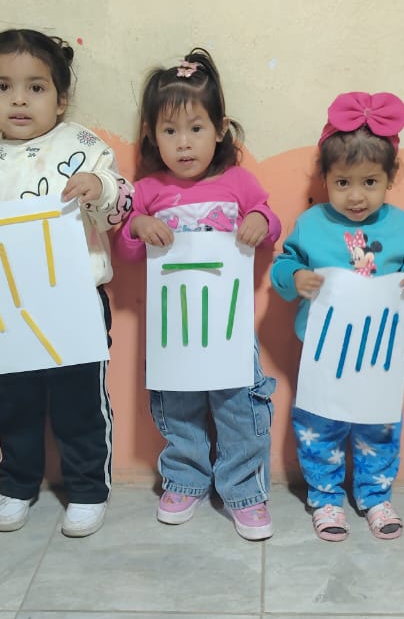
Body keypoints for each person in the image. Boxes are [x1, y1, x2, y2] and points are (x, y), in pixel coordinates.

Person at [0, 29, 130, 539]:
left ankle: (88, 488)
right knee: (15, 399)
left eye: (35, 88)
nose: (19, 99)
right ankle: (16, 483)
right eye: (3, 87)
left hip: (76, 298)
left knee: (79, 399)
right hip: (9, 304)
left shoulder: (84, 147)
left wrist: (100, 187)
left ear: (60, 99)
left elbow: (118, 209)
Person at [114, 49, 281, 541]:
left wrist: (259, 219)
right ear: (152, 135)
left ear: (220, 129)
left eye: (196, 128)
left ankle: (245, 490)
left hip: (229, 323)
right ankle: (185, 479)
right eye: (170, 131)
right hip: (174, 328)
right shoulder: (148, 190)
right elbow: (127, 249)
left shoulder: (237, 182)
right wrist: (138, 226)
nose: (183, 143)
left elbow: (270, 223)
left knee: (239, 406)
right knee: (177, 406)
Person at [270, 92, 404, 541]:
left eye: (370, 182)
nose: (356, 196)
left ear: (390, 178)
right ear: (324, 178)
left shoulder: (401, 226)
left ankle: (375, 495)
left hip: (381, 353)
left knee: (378, 425)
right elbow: (284, 264)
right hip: (325, 354)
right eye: (342, 182)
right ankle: (325, 496)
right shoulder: (311, 224)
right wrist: (295, 277)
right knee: (319, 424)